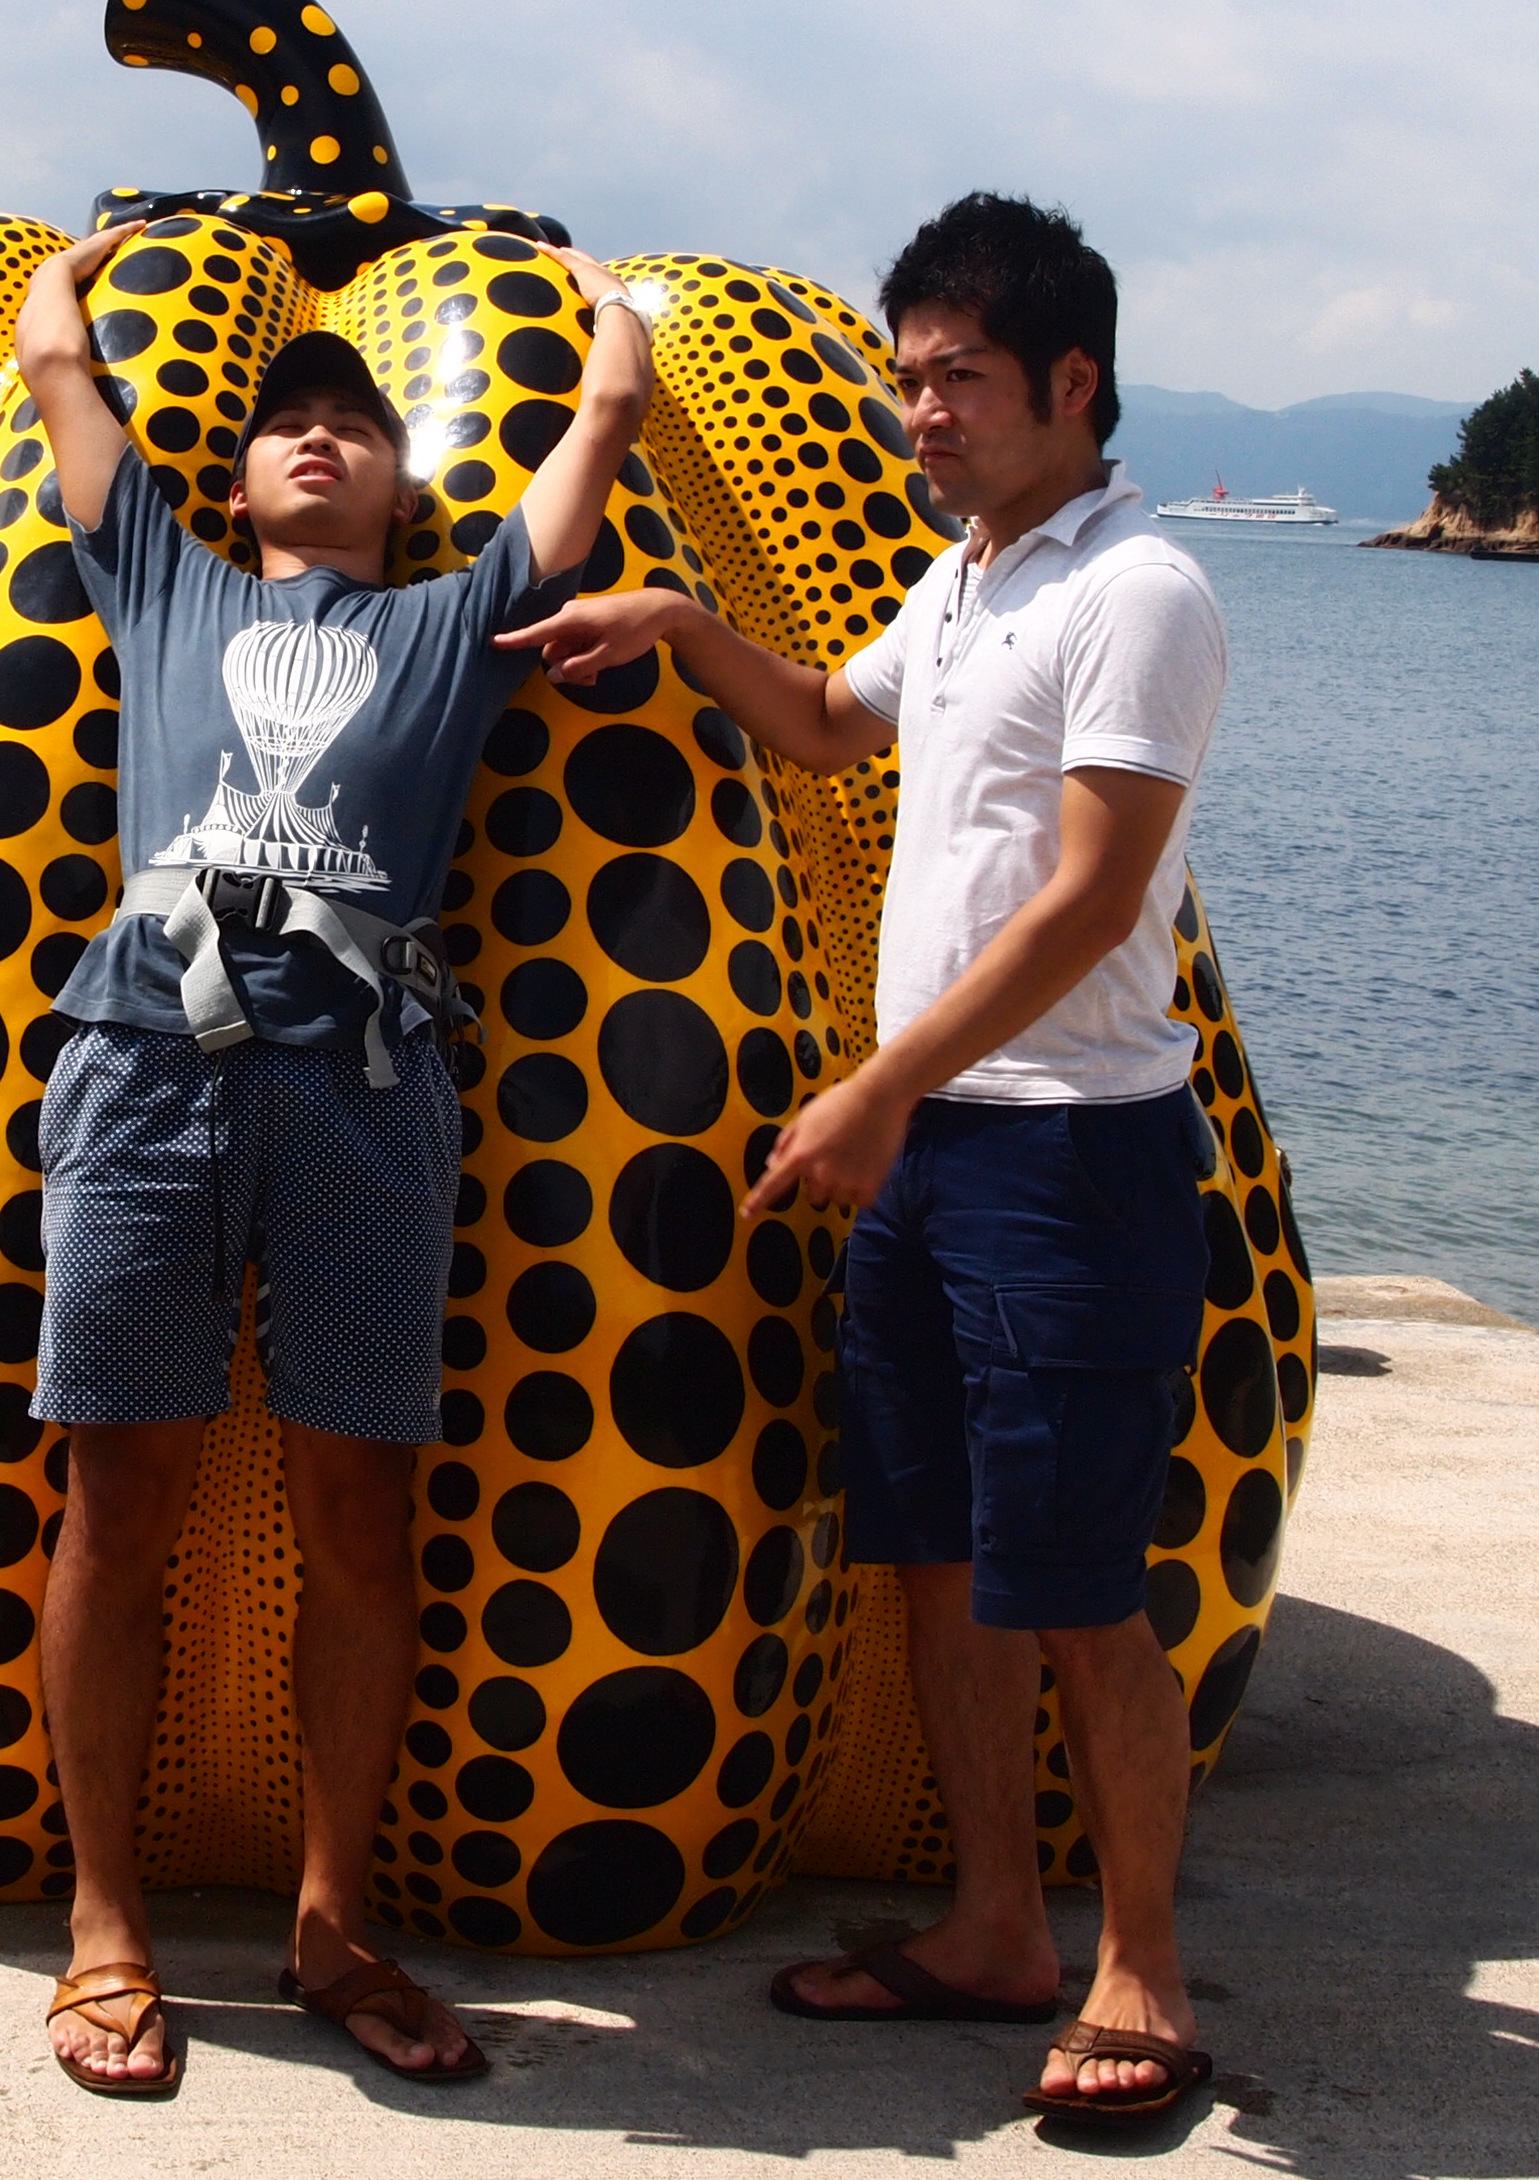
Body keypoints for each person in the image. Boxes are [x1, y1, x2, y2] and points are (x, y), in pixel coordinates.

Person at [496, 192, 1231, 2127]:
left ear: (1072, 382)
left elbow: (1093, 901)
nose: (923, 412)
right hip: (938, 1152)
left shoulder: (1134, 591)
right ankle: (995, 1930)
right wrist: (676, 625)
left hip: (1067, 1157)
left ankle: (1143, 1972)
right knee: (937, 1556)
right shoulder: (970, 577)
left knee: (1078, 1586)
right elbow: (830, 728)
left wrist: (883, 1085)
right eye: (910, 378)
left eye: (960, 379)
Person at [15, 224, 653, 2099]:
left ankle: (331, 1920)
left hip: (367, 1085)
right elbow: (58, 371)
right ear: (233, 486)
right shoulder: (164, 578)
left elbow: (607, 416)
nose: (319, 438)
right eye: (287, 425)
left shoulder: (455, 624)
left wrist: (608, 293)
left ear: (400, 489)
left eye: (355, 428)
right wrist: (76, 259)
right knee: (117, 1501)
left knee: (360, 1516)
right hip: (148, 1055)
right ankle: (107, 1921)